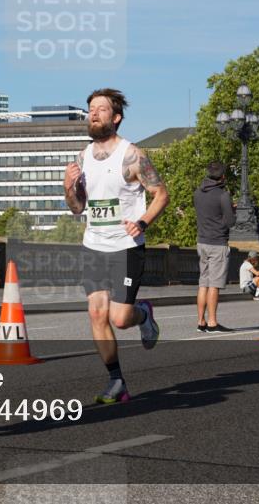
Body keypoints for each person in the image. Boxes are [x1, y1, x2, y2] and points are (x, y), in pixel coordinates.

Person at [63, 88, 169, 404]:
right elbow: (77, 208)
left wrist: (143, 222)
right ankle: (116, 381)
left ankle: (143, 315)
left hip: (126, 245)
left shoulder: (132, 155)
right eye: (91, 109)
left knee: (120, 319)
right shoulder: (81, 158)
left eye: (101, 109)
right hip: (94, 244)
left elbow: (161, 194)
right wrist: (69, 185)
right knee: (97, 313)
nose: (93, 114)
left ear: (116, 117)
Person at [194, 162, 236, 332]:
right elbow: (229, 222)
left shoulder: (197, 193)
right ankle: (212, 322)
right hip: (217, 243)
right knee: (214, 284)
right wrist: (232, 210)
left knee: (203, 283)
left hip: (201, 242)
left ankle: (200, 322)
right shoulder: (223, 195)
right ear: (222, 177)